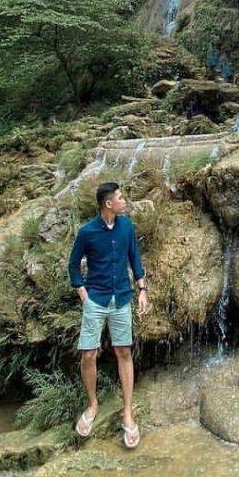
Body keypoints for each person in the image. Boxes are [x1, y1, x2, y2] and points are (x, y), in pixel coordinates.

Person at [67, 181, 150, 448]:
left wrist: (142, 290)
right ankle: (92, 405)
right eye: (120, 198)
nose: (124, 201)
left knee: (123, 351)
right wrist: (84, 295)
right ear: (108, 204)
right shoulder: (87, 232)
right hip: (96, 300)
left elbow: (134, 258)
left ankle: (128, 413)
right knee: (88, 353)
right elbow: (73, 266)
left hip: (122, 298)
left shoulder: (126, 226)